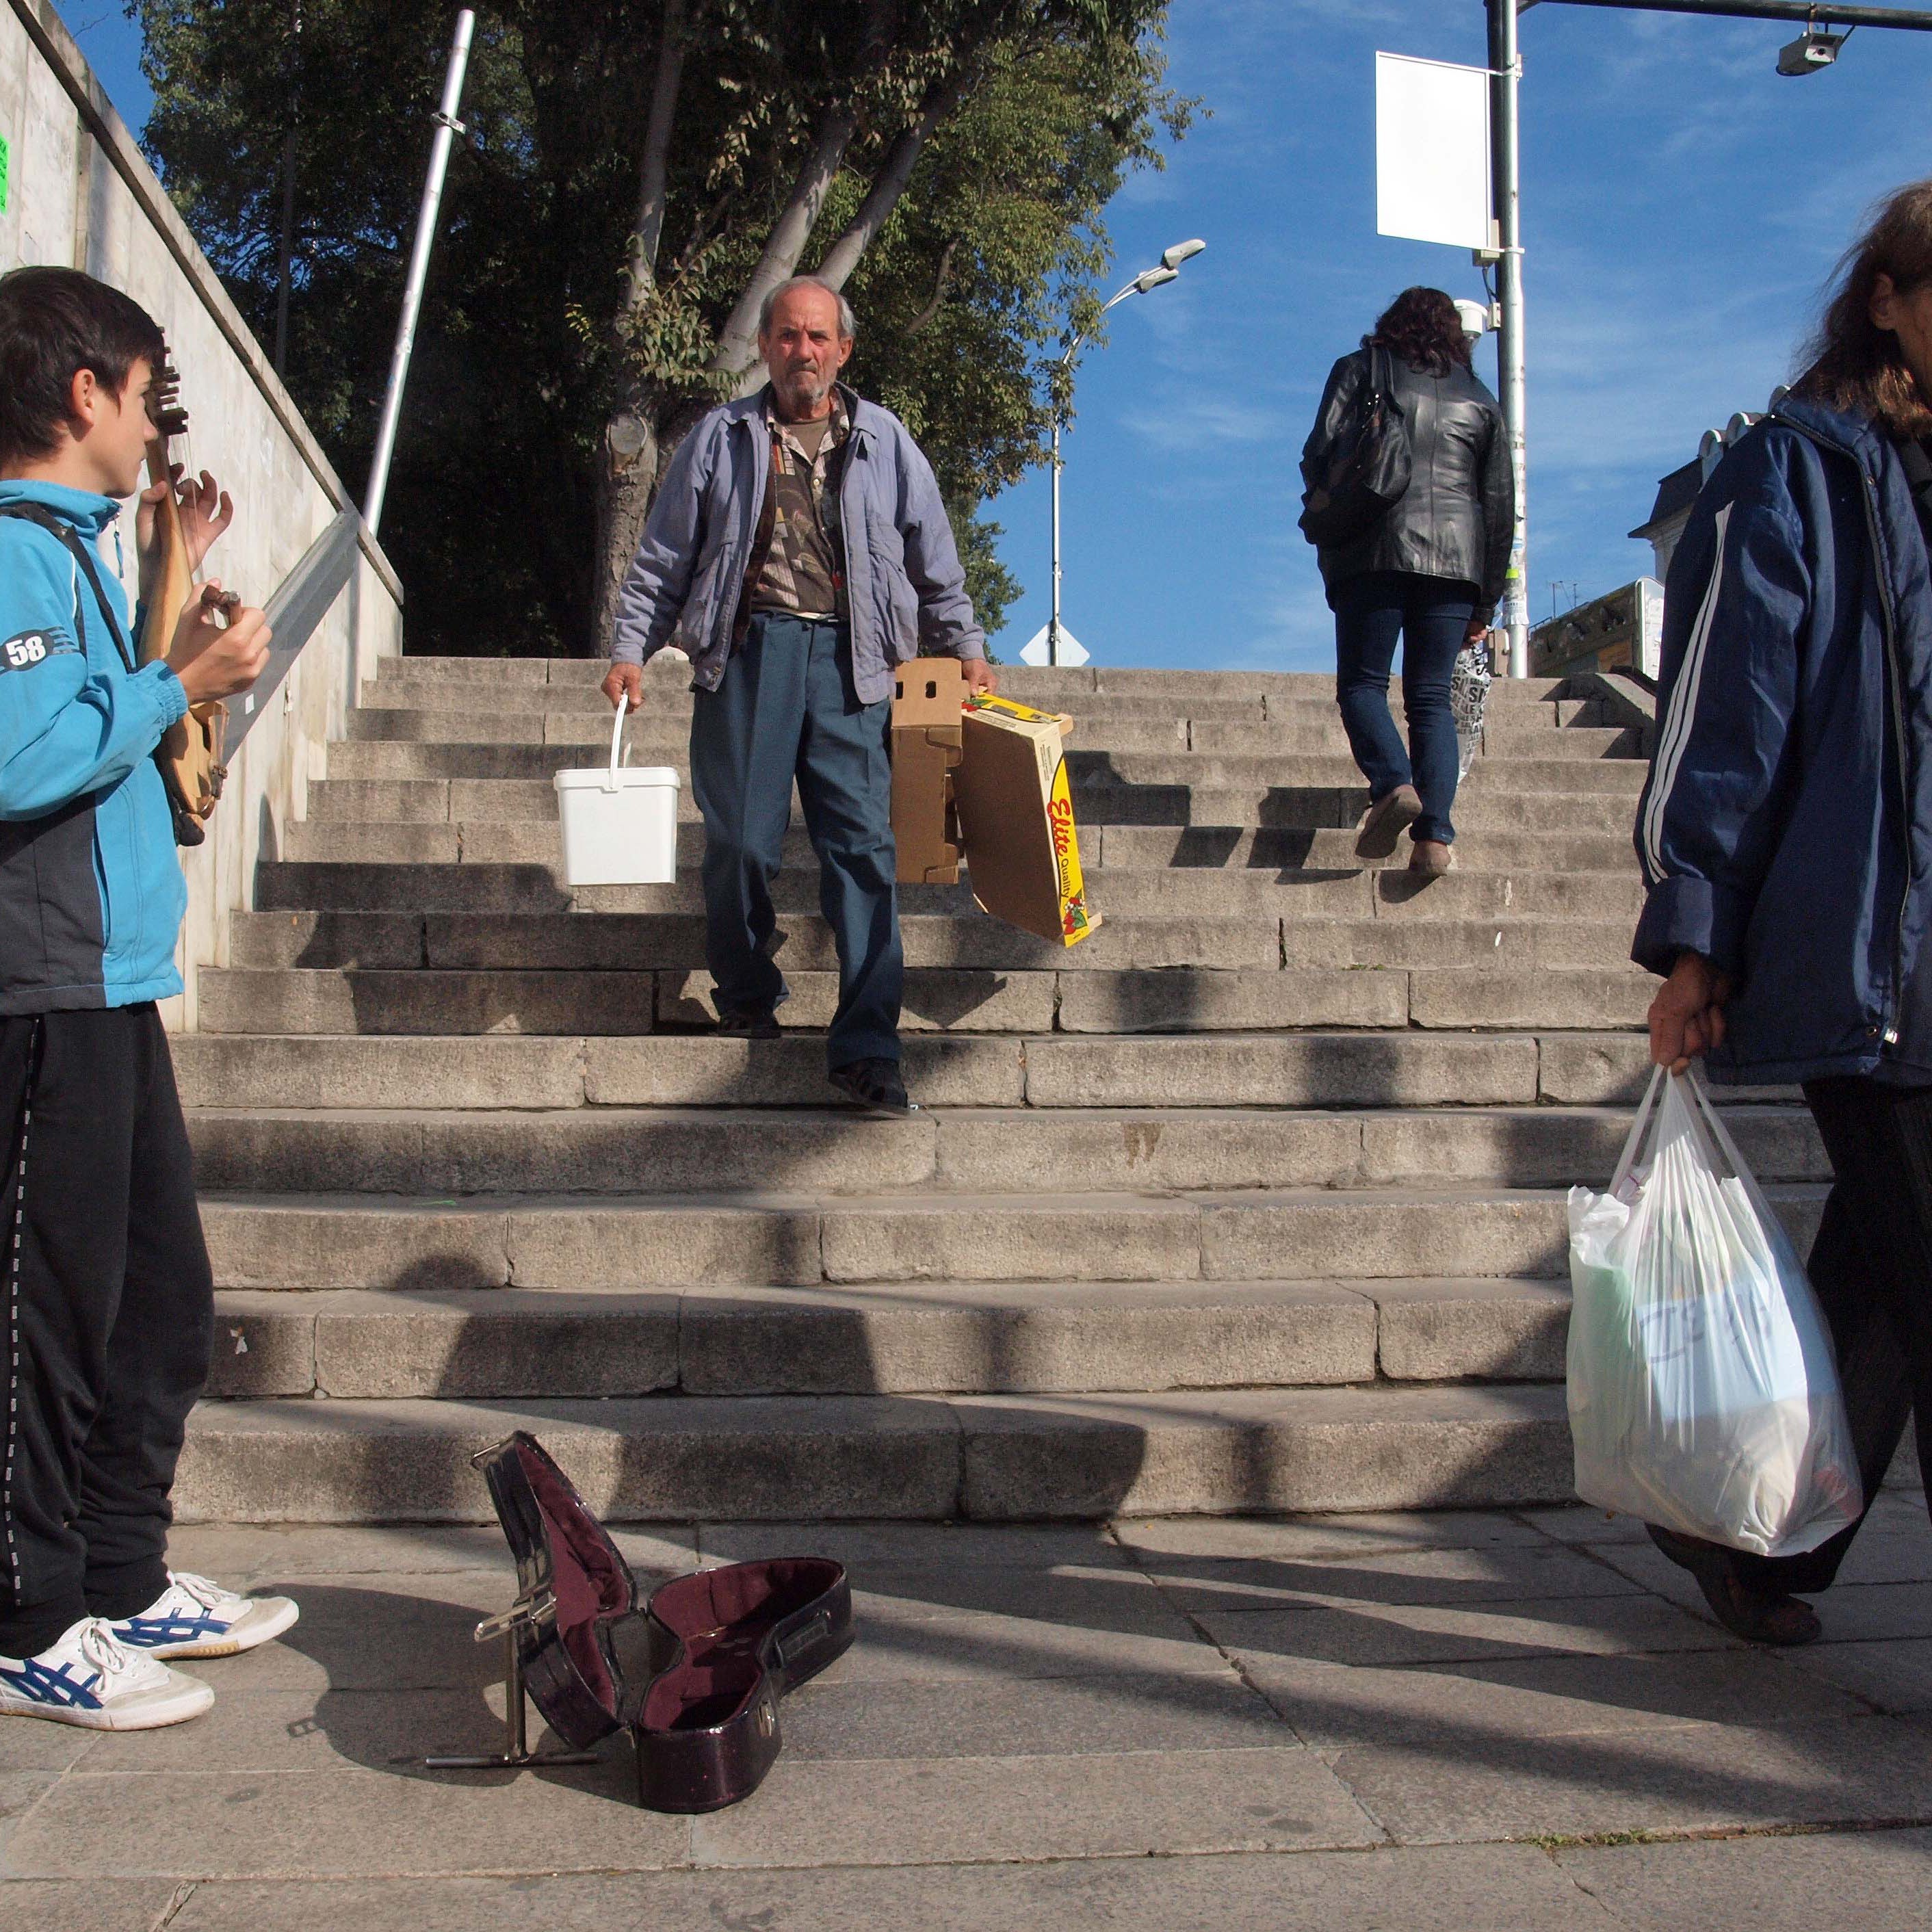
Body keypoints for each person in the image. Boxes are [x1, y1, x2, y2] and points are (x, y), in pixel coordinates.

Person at [1635, 179, 1932, 1647]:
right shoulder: (1796, 470)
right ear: (1884, 297)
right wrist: (1697, 932)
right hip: (1878, 946)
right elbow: (1725, 719)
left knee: (1886, 1273)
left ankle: (1753, 1538)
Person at [0, 266, 293, 1729]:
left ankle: (118, 1571)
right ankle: (25, 1609)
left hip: (111, 978)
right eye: (144, 393)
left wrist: (173, 608)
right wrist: (174, 680)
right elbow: (13, 756)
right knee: (40, 1317)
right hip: (39, 981)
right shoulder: (6, 552)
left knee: (159, 1300)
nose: (152, 420)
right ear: (82, 394)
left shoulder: (74, 549)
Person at [604, 275, 996, 1115]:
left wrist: (963, 644)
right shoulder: (721, 436)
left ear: (842, 350)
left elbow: (933, 555)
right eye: (787, 336)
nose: (803, 352)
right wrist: (632, 647)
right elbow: (666, 555)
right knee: (742, 843)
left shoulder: (886, 441)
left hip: (856, 665)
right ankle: (746, 993)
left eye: (818, 337)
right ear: (765, 348)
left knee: (864, 852)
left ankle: (866, 1050)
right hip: (748, 653)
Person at [1301, 287, 1513, 874]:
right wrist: (1486, 601)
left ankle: (1394, 784)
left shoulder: (1360, 370)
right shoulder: (1480, 398)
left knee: (1364, 685)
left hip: (1374, 549)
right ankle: (1435, 838)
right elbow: (1499, 504)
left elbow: (1319, 453)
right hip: (1456, 565)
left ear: (1389, 324)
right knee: (1430, 699)